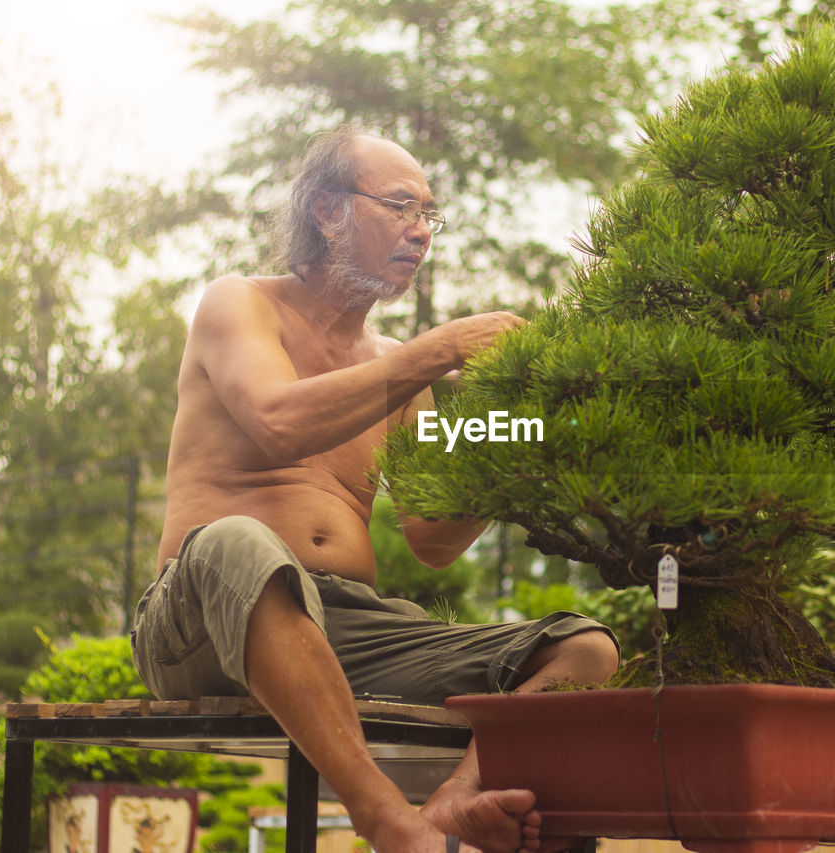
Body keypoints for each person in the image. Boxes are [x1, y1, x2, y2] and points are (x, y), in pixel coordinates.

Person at [130, 127, 620, 853]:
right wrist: (439, 349)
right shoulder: (239, 304)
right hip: (204, 612)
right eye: (400, 207)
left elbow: (431, 539)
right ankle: (390, 822)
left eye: (429, 215)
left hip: (348, 629)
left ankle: (457, 798)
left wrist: (518, 439)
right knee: (242, 542)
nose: (421, 232)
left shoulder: (395, 366)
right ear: (327, 210)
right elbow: (276, 422)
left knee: (585, 648)